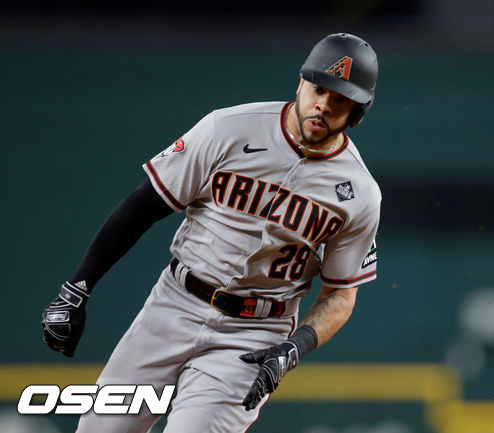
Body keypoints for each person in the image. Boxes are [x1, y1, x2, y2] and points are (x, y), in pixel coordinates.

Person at [42, 32, 380, 433]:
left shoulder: (359, 192)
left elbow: (341, 293)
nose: (323, 104)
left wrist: (295, 347)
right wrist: (76, 289)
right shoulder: (228, 128)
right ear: (301, 83)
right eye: (318, 89)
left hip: (254, 335)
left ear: (358, 111)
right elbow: (143, 206)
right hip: (174, 305)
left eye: (339, 98)